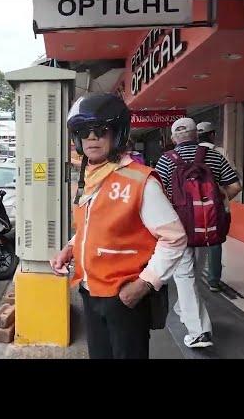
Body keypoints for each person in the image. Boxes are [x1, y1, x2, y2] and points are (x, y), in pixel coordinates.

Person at [50, 93, 188, 359]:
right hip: (90, 293)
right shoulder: (89, 178)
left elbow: (174, 238)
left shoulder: (140, 181)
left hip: (124, 298)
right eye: (83, 131)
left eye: (100, 130)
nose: (91, 137)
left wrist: (145, 284)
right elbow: (91, 224)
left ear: (117, 133)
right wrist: (70, 248)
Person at [155, 118, 242, 348]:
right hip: (206, 227)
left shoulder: (166, 160)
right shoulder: (213, 156)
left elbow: (156, 194)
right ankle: (184, 309)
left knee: (184, 276)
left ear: (174, 138)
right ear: (197, 135)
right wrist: (214, 206)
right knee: (193, 273)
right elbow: (235, 186)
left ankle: (199, 331)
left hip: (178, 227)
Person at [196, 121, 240, 292]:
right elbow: (235, 184)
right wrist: (223, 200)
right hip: (216, 208)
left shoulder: (187, 154)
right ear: (212, 135)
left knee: (193, 241)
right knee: (215, 242)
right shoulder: (220, 153)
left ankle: (192, 277)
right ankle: (214, 280)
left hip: (193, 209)